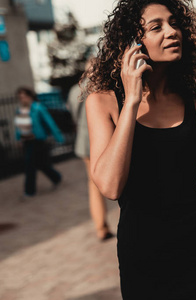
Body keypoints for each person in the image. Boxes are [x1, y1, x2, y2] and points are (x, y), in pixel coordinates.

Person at [82, 0, 196, 299]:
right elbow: (110, 186)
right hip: (143, 258)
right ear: (132, 43)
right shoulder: (103, 102)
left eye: (175, 23)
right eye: (156, 26)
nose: (172, 31)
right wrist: (132, 101)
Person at [67, 68, 113, 241]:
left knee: (93, 184)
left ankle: (101, 226)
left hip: (84, 139)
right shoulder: (105, 86)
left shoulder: (75, 89)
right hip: (104, 136)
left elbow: (72, 114)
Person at [14, 87, 64, 198]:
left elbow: (49, 122)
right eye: (20, 97)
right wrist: (18, 139)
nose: (22, 99)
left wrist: (58, 137)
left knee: (33, 165)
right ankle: (56, 177)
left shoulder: (38, 108)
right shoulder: (20, 110)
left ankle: (30, 191)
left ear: (30, 96)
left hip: (38, 140)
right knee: (38, 164)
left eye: (24, 96)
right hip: (27, 141)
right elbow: (18, 126)